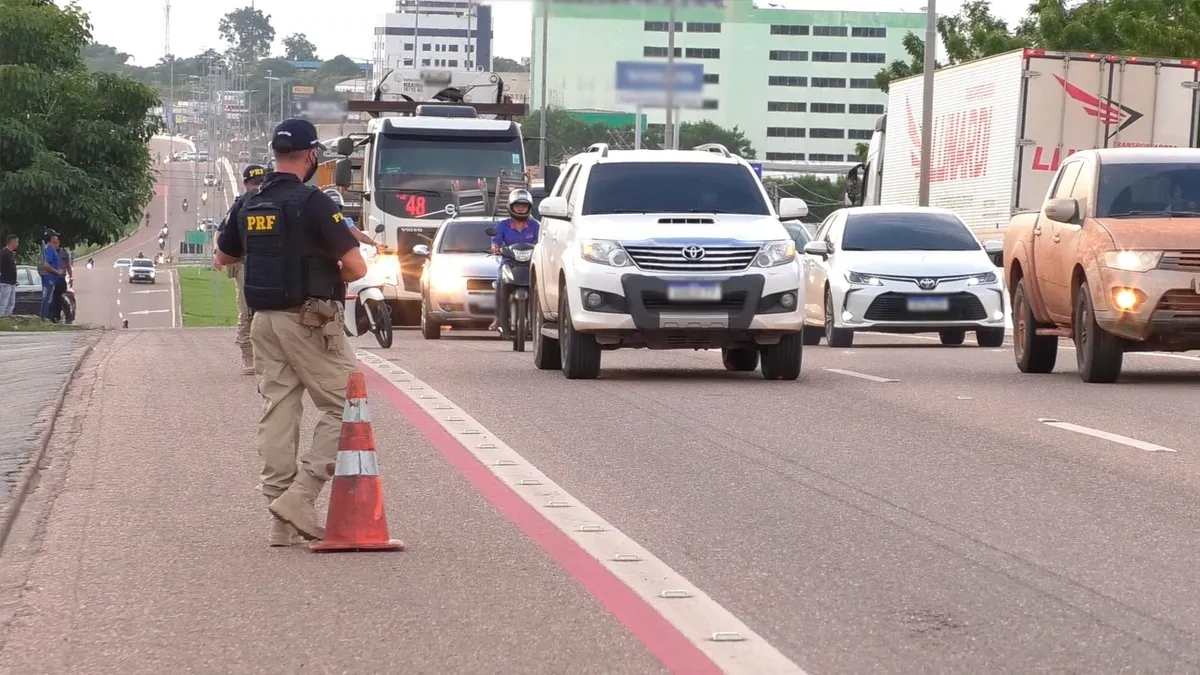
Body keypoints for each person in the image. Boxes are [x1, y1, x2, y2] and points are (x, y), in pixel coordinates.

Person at [215, 118, 366, 547]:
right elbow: (356, 267)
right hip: (309, 318)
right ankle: (301, 496)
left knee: (279, 410)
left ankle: (280, 520)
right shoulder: (313, 201)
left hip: (263, 321)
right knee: (347, 404)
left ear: (275, 155)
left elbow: (225, 255)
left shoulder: (250, 202)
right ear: (312, 156)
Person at [217, 163, 267, 375]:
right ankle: (248, 356)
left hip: (268, 264)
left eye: (260, 182)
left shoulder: (272, 202)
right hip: (245, 265)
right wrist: (217, 255)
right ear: (245, 184)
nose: (257, 186)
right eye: (253, 183)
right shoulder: (241, 205)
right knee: (247, 312)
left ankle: (266, 356)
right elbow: (221, 232)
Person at [488, 189, 540, 333]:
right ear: (511, 206)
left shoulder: (536, 225)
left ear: (529, 207)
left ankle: (540, 319)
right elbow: (496, 241)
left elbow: (542, 241)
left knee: (541, 287)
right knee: (500, 283)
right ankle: (499, 317)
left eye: (524, 205)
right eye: (517, 205)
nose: (521, 208)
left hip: (531, 264)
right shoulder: (503, 225)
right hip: (509, 263)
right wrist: (495, 247)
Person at [38, 230, 65, 321]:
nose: (57, 238)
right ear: (51, 238)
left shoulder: (50, 249)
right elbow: (46, 265)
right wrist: (57, 271)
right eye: (55, 236)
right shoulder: (48, 249)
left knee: (48, 298)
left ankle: (46, 317)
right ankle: (44, 318)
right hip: (48, 278)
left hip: (51, 278)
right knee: (47, 298)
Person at [0, 234, 17, 317]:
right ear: (12, 242)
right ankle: (2, 318)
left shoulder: (11, 253)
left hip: (12, 282)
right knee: (4, 302)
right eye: (16, 242)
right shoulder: (4, 253)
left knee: (11, 303)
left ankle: (8, 318)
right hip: (5, 282)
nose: (17, 244)